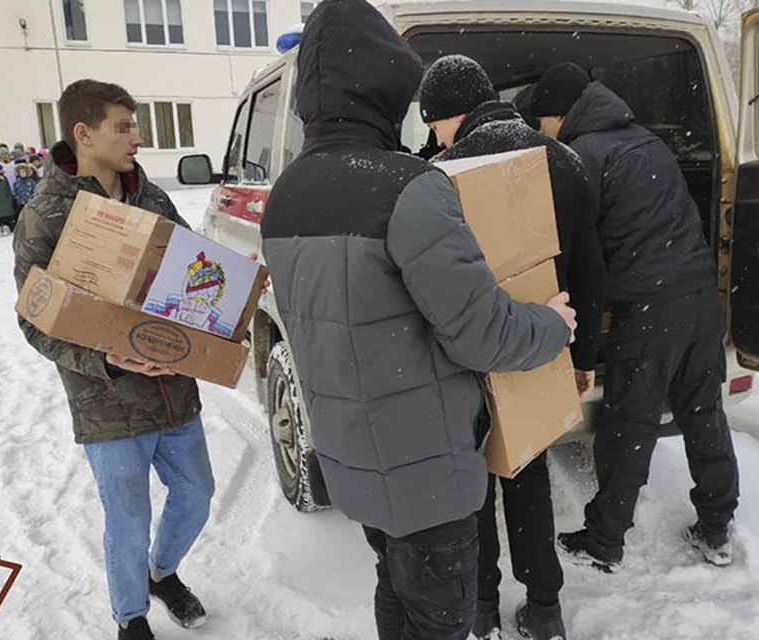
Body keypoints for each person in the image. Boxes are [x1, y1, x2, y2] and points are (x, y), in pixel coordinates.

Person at [260, 2, 578, 639]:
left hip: (355, 463)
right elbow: (483, 333)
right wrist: (551, 324)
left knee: (393, 584)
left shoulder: (284, 197)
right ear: (383, 86)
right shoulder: (408, 186)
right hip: (427, 474)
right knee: (440, 617)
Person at [13, 79, 216, 640]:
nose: (138, 137)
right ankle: (130, 615)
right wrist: (110, 359)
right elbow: (35, 318)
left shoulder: (153, 200)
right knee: (128, 517)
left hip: (173, 389)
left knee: (197, 494)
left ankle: (162, 572)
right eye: (123, 127)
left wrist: (223, 286)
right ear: (84, 134)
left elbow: (191, 275)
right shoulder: (46, 216)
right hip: (107, 400)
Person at [417, 55, 605, 640]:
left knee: (474, 478)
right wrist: (584, 356)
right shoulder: (566, 160)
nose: (433, 138)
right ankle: (545, 607)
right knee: (527, 469)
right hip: (546, 338)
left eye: (434, 124)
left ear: (452, 116)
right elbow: (590, 267)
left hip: (468, 352)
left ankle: (480, 607)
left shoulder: (443, 172)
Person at [531, 63, 740, 572]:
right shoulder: (648, 141)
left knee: (629, 425)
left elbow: (576, 249)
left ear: (558, 116)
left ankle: (604, 542)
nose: (539, 134)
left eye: (540, 123)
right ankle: (716, 528)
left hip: (649, 311)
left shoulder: (582, 156)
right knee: (704, 414)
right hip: (698, 298)